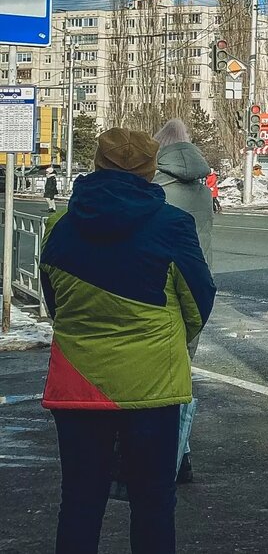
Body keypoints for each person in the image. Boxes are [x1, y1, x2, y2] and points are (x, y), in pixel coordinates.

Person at [40, 128, 215, 553]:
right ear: (149, 171)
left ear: (96, 165)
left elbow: (54, 303)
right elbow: (199, 302)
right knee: (153, 504)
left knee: (80, 503)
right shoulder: (173, 225)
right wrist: (168, 341)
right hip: (153, 388)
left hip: (78, 386)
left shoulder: (58, 226)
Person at [152, 118, 213, 485]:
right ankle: (182, 455)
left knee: (157, 383)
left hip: (161, 292)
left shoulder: (157, 190)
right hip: (197, 290)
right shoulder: (202, 191)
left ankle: (165, 459)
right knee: (182, 374)